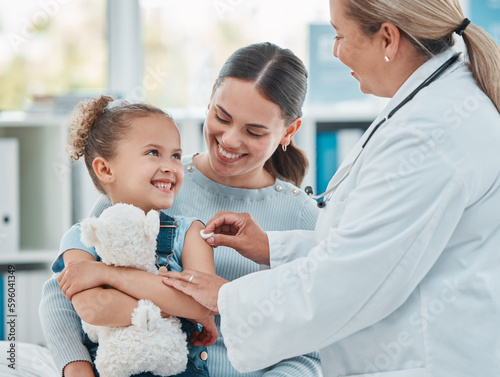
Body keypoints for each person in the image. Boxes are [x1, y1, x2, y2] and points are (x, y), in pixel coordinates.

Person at [160, 1, 500, 376]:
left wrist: (226, 297)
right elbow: (372, 246)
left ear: (388, 38)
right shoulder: (431, 107)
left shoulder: (430, 133)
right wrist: (271, 247)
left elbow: (352, 278)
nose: (335, 51)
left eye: (339, 35)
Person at [39, 42, 323, 377]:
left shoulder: (302, 217)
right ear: (209, 101)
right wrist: (77, 366)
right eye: (222, 117)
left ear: (289, 131)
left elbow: (309, 349)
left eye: (254, 131)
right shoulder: (149, 185)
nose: (230, 140)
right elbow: (62, 293)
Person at [43, 95, 217, 377]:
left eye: (175, 155)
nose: (171, 166)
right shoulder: (81, 238)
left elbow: (202, 303)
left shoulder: (192, 232)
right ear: (106, 169)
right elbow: (95, 308)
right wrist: (176, 307)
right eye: (153, 153)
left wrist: (107, 275)